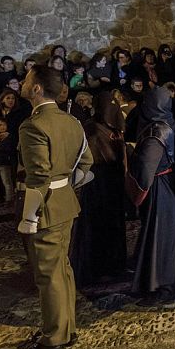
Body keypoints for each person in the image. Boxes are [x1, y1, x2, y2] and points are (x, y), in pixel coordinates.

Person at [6, 65, 93, 349]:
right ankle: (65, 329)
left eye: (28, 80)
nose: (24, 83)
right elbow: (86, 166)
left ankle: (53, 337)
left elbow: (38, 178)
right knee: (61, 269)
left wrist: (29, 217)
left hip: (44, 207)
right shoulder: (72, 121)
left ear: (38, 89)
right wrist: (65, 186)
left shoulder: (33, 126)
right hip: (65, 204)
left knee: (48, 275)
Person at [126, 87, 175, 307]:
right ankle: (153, 283)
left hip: (159, 188)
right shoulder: (166, 123)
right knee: (157, 237)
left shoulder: (156, 132)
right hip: (166, 185)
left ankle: (163, 287)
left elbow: (145, 169)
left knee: (160, 238)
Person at [70, 92, 127, 289]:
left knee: (113, 223)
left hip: (113, 181)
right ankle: (96, 268)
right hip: (97, 181)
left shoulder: (114, 127)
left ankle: (114, 264)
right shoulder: (91, 127)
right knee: (96, 224)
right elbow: (92, 155)